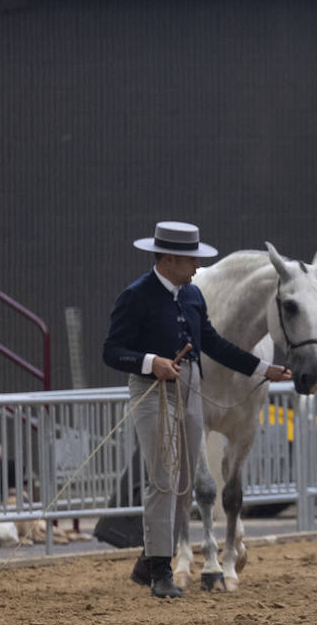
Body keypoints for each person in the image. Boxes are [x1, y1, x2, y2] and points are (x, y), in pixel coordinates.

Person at [103, 221, 292, 599]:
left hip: (191, 384)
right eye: (192, 259)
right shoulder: (135, 296)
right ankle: (160, 568)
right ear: (169, 259)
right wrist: (149, 362)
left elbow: (215, 344)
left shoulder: (192, 295)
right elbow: (112, 351)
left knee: (187, 482)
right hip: (152, 388)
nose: (197, 267)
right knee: (162, 478)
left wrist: (262, 369)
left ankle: (150, 556)